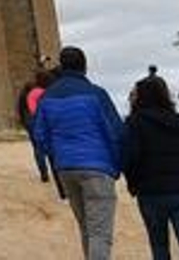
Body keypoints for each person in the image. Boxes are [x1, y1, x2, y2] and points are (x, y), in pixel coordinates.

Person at [30, 46, 126, 259]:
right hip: (98, 168)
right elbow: (116, 132)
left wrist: (57, 156)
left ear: (62, 66)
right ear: (84, 66)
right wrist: (116, 166)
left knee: (87, 228)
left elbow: (39, 136)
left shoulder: (47, 97)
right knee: (100, 232)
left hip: (66, 168)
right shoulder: (96, 93)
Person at [124, 76, 179, 260]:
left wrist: (134, 183)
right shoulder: (178, 121)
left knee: (160, 248)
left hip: (151, 193)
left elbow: (130, 158)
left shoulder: (134, 123)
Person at [18, 70, 55, 183]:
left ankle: (43, 173)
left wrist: (24, 121)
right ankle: (55, 172)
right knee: (50, 147)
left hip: (30, 121)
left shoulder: (25, 94)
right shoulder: (42, 92)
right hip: (39, 120)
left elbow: (21, 109)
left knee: (37, 148)